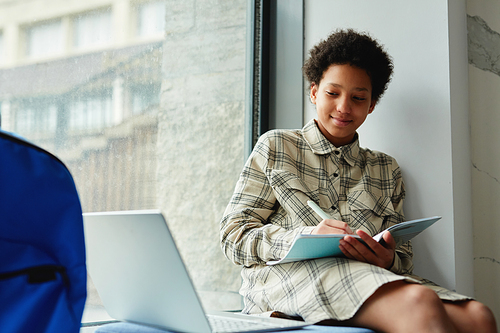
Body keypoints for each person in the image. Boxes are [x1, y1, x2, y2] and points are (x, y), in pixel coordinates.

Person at [220, 29, 497, 332]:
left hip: (364, 275)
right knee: (419, 303)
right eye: (332, 93)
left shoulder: (385, 168)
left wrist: (388, 257)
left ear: (372, 104)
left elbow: (402, 257)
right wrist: (305, 237)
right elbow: (234, 236)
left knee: (479, 316)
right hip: (289, 280)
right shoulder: (276, 146)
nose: (343, 107)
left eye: (358, 97)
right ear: (314, 92)